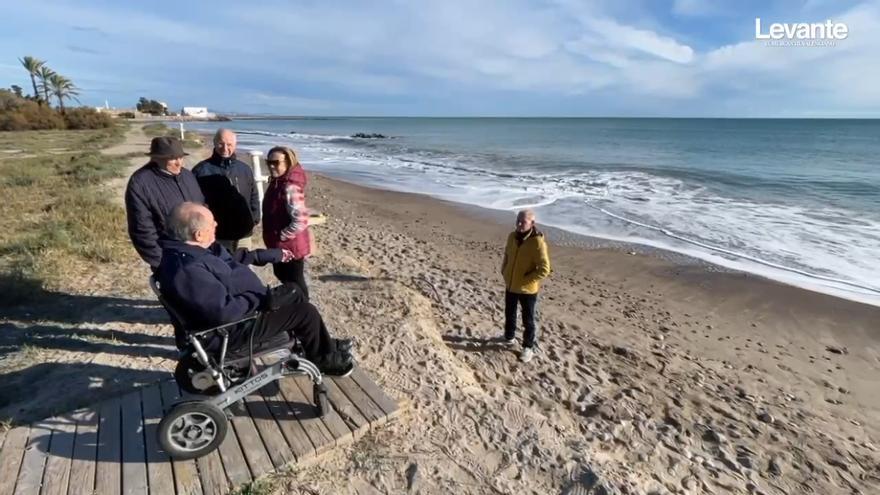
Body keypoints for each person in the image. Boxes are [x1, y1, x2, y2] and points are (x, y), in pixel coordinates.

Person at [156, 202, 353, 376]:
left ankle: (319, 346)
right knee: (305, 312)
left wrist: (266, 256)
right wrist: (265, 300)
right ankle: (323, 360)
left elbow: (230, 260)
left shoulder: (194, 249)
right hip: (230, 331)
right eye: (212, 223)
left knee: (294, 291)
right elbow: (224, 313)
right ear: (198, 234)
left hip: (244, 311)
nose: (216, 225)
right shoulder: (187, 270)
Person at [125, 136, 205, 271]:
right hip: (169, 258)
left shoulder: (188, 176)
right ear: (156, 158)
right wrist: (161, 262)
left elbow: (202, 207)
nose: (179, 163)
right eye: (173, 159)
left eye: (181, 157)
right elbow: (141, 229)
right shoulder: (140, 183)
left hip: (200, 252)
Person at [192, 129, 260, 252]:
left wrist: (255, 218)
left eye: (229, 145)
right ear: (214, 143)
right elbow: (194, 202)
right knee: (221, 268)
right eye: (220, 143)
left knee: (243, 267)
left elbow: (254, 195)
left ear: (235, 145)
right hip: (219, 234)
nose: (225, 148)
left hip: (244, 232)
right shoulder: (201, 170)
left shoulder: (244, 169)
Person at [500, 209, 552, 363]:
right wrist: (504, 271)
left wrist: (526, 280)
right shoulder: (512, 236)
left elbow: (544, 269)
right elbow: (507, 255)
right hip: (510, 284)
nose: (519, 224)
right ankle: (509, 338)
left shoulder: (537, 242)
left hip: (527, 289)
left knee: (528, 320)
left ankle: (527, 347)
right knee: (509, 313)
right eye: (518, 220)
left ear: (532, 223)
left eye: (523, 221)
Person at [262, 146, 313, 299]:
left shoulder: (290, 187)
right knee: (284, 277)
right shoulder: (278, 182)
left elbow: (301, 220)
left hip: (290, 248)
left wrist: (282, 236)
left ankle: (304, 312)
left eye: (276, 162)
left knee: (294, 282)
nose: (271, 166)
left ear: (288, 163)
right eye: (268, 162)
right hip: (280, 245)